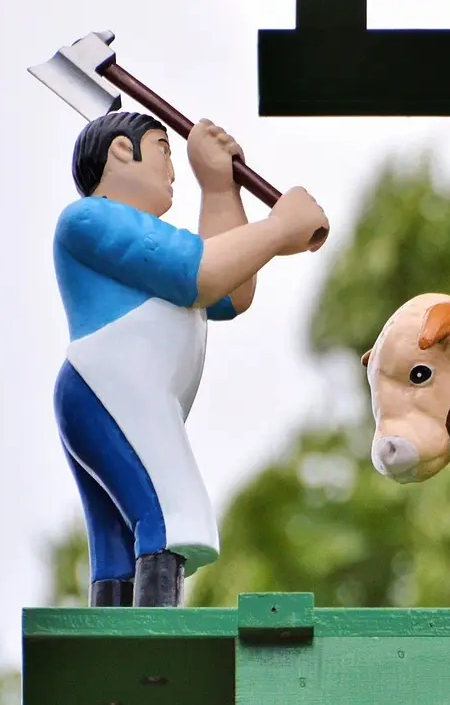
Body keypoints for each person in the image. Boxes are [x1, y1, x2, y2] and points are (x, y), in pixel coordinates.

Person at [51, 110, 329, 607]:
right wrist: (279, 227)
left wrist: (220, 189)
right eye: (164, 148)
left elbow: (228, 293)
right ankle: (153, 633)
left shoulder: (121, 228)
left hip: (122, 392)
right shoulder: (90, 218)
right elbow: (198, 273)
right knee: (171, 510)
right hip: (109, 384)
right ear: (120, 150)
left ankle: (114, 631)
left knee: (120, 536)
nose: (173, 169)